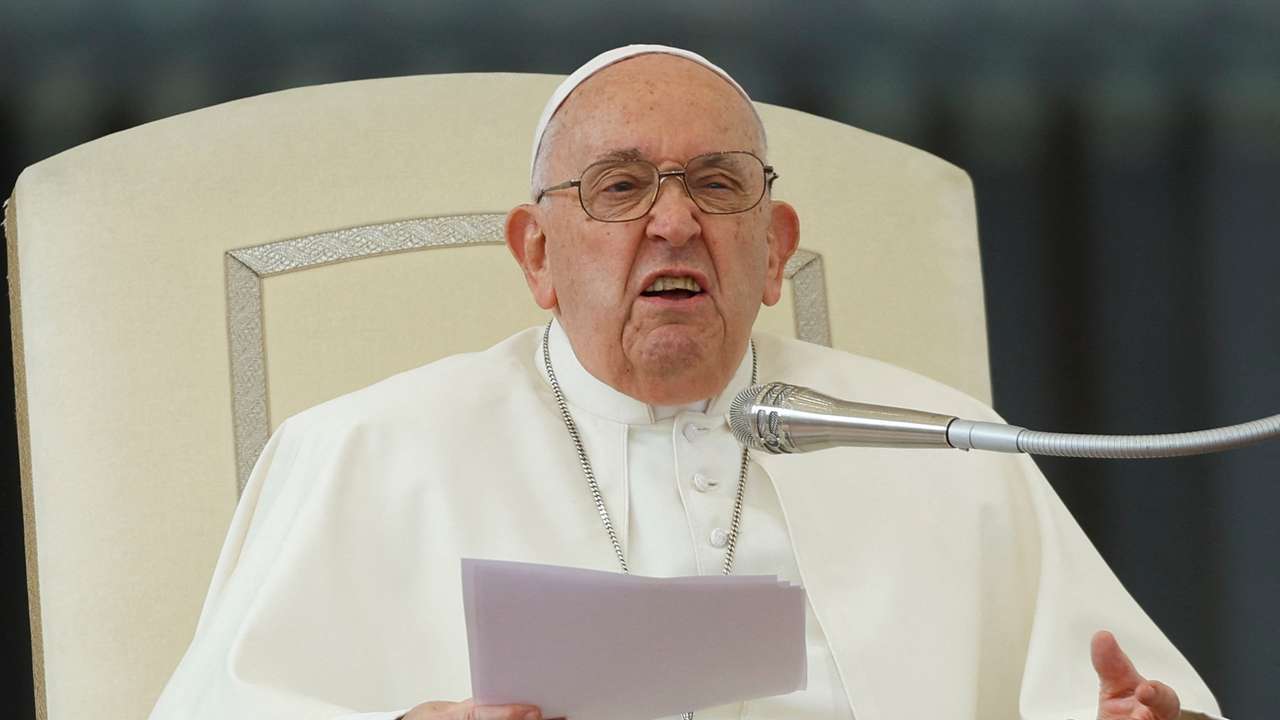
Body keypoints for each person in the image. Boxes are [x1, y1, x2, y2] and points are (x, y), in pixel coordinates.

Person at [150, 46, 1221, 720]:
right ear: (534, 253)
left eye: (717, 184)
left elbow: (1105, 697)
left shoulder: (937, 448)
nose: (674, 221)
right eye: (619, 187)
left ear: (773, 249)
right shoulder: (361, 453)